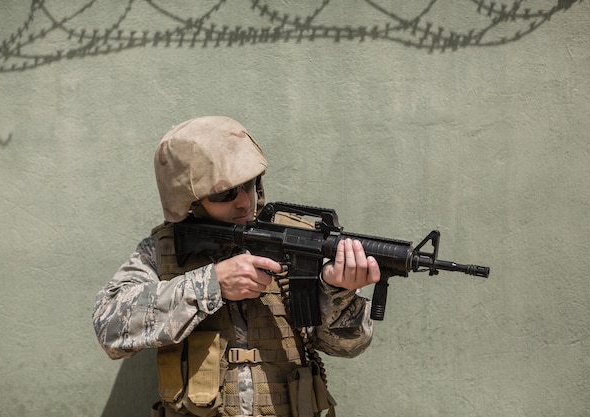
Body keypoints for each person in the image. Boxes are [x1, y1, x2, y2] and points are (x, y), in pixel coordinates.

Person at [92, 116, 381, 417]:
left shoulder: (293, 242)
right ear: (189, 201)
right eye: (224, 193)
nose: (244, 202)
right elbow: (109, 328)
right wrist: (211, 284)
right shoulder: (165, 249)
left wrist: (336, 293)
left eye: (248, 184)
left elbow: (349, 346)